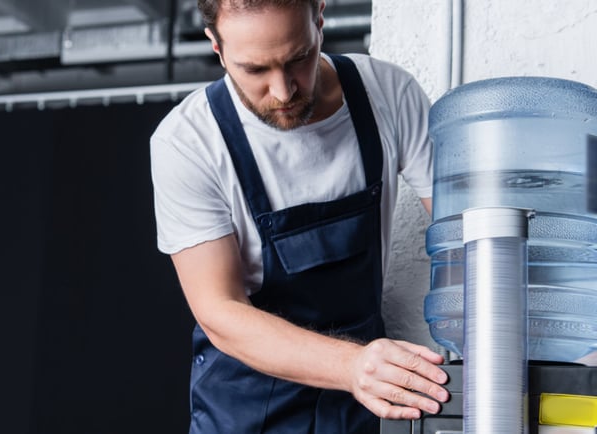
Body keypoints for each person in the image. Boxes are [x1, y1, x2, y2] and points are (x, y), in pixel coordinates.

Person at [149, 0, 449, 432]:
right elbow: (219, 310)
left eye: (299, 59)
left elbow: (463, 236)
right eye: (255, 70)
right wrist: (352, 365)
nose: (284, 91)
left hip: (364, 405)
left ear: (319, 18)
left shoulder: (387, 93)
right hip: (245, 408)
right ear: (216, 46)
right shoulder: (188, 143)